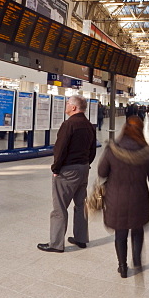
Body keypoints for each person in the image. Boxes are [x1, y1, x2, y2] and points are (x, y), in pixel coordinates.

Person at [98, 116, 149, 278]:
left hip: (116, 198)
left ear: (124, 129)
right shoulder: (147, 151)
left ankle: (123, 267)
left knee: (120, 233)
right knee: (137, 229)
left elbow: (102, 172)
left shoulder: (112, 148)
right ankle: (137, 261)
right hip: (138, 198)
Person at [38, 95, 97, 253]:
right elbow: (92, 150)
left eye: (68, 103)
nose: (66, 105)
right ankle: (81, 238)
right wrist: (86, 163)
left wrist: (56, 168)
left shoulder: (69, 124)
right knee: (80, 205)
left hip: (68, 170)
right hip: (83, 169)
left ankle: (56, 244)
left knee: (59, 207)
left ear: (74, 108)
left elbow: (60, 148)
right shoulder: (89, 125)